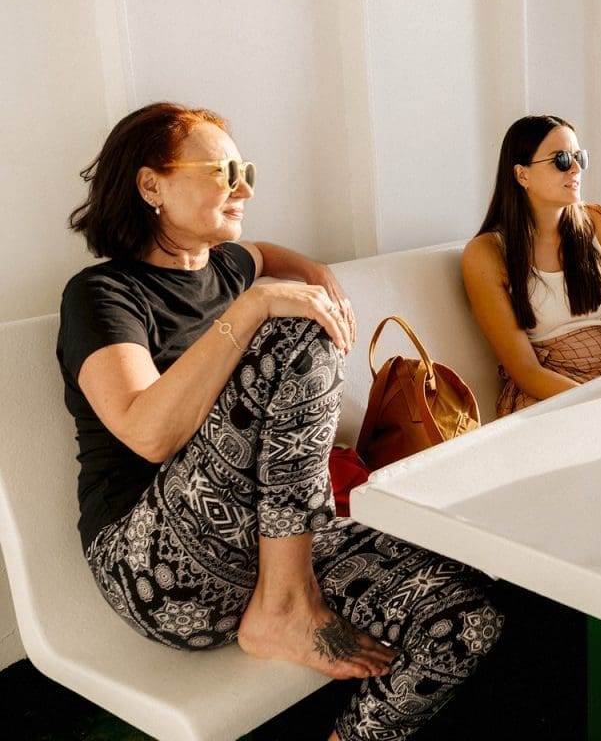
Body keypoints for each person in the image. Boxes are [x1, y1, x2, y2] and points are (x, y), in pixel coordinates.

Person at [57, 103, 502, 741]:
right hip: (155, 571)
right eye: (223, 172)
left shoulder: (227, 266)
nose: (244, 189)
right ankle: (287, 607)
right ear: (151, 185)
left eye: (248, 172)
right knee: (295, 331)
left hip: (267, 547)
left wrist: (316, 278)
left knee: (464, 619)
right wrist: (256, 308)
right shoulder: (104, 294)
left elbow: (262, 253)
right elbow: (146, 433)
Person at [462, 114, 601, 417]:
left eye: (579, 157)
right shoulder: (485, 254)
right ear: (522, 175)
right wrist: (597, 405)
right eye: (561, 160)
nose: (575, 169)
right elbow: (524, 369)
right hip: (548, 392)